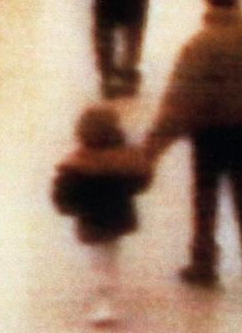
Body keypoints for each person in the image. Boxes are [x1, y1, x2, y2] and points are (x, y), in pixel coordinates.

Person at [145, 0, 242, 318]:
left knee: (205, 199)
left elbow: (180, 101)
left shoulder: (201, 44)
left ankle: (204, 262)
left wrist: (152, 149)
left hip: (211, 135)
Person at [53, 105, 152, 327]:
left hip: (91, 220)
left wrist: (68, 207)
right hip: (119, 217)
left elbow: (62, 194)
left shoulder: (77, 164)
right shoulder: (126, 159)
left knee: (98, 261)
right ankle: (107, 296)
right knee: (109, 257)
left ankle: (104, 302)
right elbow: (142, 180)